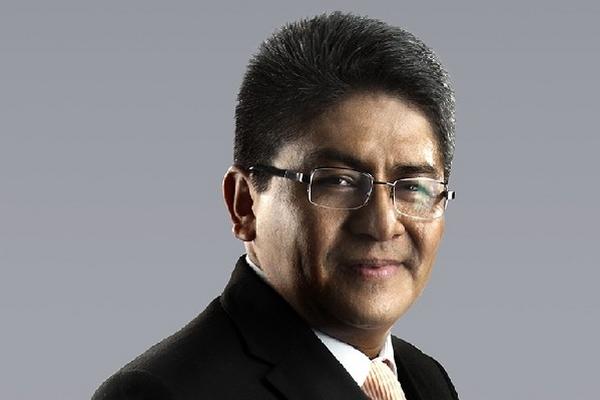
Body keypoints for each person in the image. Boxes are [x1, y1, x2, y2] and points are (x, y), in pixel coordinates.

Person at [93, 11, 459, 400]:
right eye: (338, 181)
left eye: (413, 187)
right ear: (245, 204)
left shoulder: (425, 380)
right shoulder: (162, 393)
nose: (383, 224)